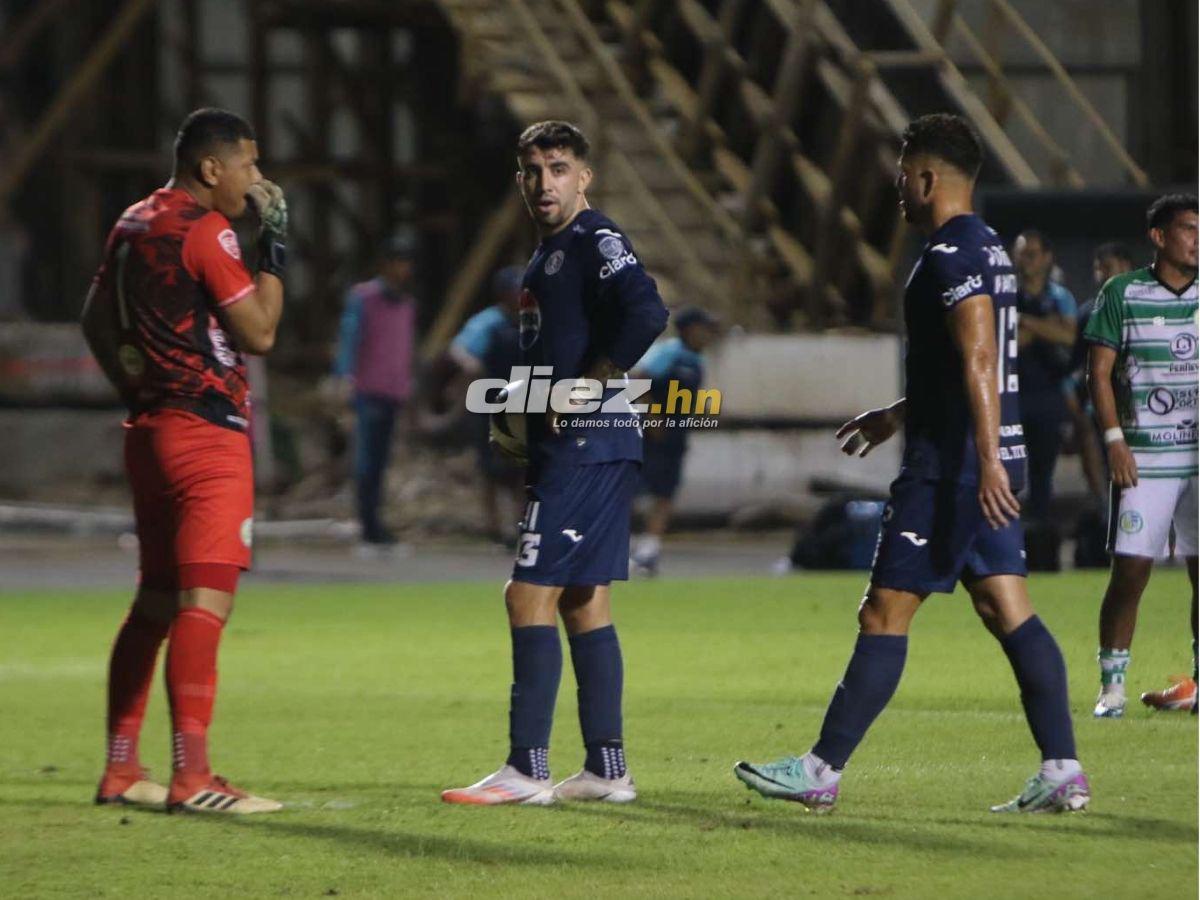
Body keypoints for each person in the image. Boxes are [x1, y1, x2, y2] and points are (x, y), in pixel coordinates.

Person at [734, 113, 1089, 814]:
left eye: (903, 174)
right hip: (985, 455)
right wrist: (898, 413)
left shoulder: (952, 255)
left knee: (883, 613)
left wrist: (982, 461)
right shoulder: (988, 248)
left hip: (954, 468)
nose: (898, 187)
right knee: (1006, 606)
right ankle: (1062, 768)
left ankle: (819, 770)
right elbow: (966, 367)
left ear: (927, 178)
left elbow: (981, 356)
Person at [441, 120, 668, 805]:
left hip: (588, 442)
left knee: (526, 593)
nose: (546, 182)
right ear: (520, 178)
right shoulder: (546, 257)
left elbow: (647, 312)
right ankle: (606, 769)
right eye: (535, 170)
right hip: (580, 446)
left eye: (560, 168)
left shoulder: (595, 239)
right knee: (582, 599)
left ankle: (526, 769)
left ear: (584, 177)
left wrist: (589, 386)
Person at [80, 108, 286, 814]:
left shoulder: (134, 220)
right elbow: (258, 333)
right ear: (211, 169)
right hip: (207, 434)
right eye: (249, 165)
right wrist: (276, 248)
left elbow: (93, 318)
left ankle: (120, 769)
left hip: (151, 431)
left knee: (156, 603)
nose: (256, 180)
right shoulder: (207, 228)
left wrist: (132, 384)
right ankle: (192, 777)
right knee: (204, 605)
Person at [1085, 194, 1198, 718]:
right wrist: (1114, 440)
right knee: (1131, 571)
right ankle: (1112, 685)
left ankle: (1198, 681)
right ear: (1159, 236)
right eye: (1188, 229)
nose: (1197, 240)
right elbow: (1099, 372)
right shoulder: (1123, 293)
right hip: (1145, 457)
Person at [333, 234, 419, 548]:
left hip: (393, 391)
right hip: (367, 390)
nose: (403, 269)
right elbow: (350, 338)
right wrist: (344, 379)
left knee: (381, 462)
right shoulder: (364, 297)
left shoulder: (407, 305)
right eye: (398, 262)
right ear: (385, 265)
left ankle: (376, 522)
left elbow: (406, 349)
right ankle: (368, 524)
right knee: (366, 462)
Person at [629, 306, 719, 576]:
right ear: (690, 329)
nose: (708, 335)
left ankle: (649, 550)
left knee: (666, 492)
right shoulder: (668, 353)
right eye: (704, 329)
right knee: (633, 490)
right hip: (651, 432)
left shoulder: (696, 360)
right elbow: (637, 381)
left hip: (675, 434)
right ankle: (617, 544)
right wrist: (652, 416)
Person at [447, 266, 525, 543]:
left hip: (523, 400)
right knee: (491, 467)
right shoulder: (488, 322)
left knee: (521, 468)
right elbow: (458, 349)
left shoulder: (531, 321)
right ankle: (494, 527)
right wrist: (471, 364)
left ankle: (520, 525)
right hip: (490, 400)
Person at [1013, 230, 1078, 522]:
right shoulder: (1006, 294)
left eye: (1031, 254)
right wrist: (1047, 327)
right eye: (1021, 253)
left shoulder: (1060, 297)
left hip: (1048, 393)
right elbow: (1010, 342)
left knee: (1042, 472)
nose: (1025, 260)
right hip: (1012, 393)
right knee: (1008, 471)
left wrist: (1026, 321)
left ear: (1047, 258)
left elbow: (1068, 336)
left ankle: (1038, 538)